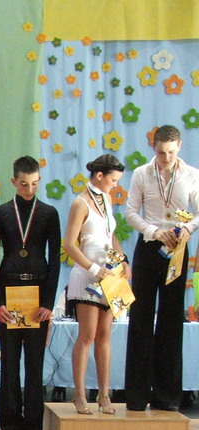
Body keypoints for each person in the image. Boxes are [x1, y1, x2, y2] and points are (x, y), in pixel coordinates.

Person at [124, 125, 199, 411]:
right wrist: (155, 232)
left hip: (177, 249)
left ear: (179, 146)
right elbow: (131, 212)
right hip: (149, 247)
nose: (165, 158)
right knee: (140, 318)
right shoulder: (142, 173)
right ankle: (136, 395)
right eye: (160, 152)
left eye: (170, 152)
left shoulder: (192, 175)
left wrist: (185, 229)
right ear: (153, 148)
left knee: (171, 320)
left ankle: (167, 396)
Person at [0, 157, 61, 430]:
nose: (29, 189)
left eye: (33, 184)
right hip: (8, 294)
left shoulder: (49, 213)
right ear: (13, 182)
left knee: (34, 363)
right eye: (23, 184)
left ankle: (33, 426)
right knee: (9, 363)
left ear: (39, 180)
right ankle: (9, 426)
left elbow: (55, 260)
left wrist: (48, 303)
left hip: (37, 296)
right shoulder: (0, 213)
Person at [64, 154, 130, 414]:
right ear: (99, 176)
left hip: (109, 278)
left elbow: (110, 237)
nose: (116, 185)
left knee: (105, 335)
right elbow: (69, 244)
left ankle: (104, 394)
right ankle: (79, 394)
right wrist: (93, 268)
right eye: (113, 180)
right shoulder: (80, 203)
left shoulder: (107, 200)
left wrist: (123, 260)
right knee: (88, 334)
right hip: (87, 276)